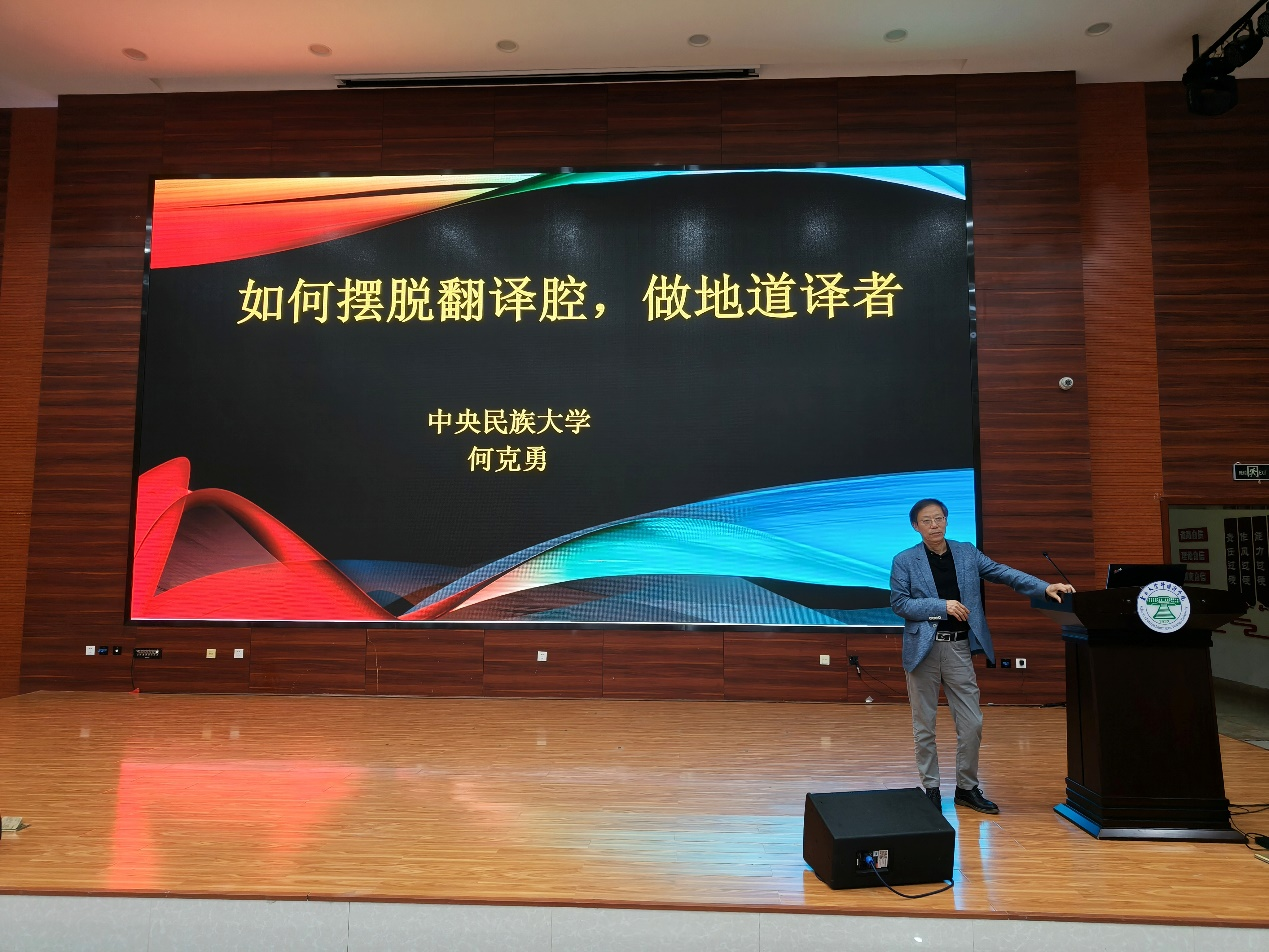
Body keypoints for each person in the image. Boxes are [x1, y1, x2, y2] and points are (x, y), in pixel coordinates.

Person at [889, 498, 1074, 814]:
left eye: (939, 518)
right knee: (925, 725)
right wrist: (942, 606)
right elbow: (900, 604)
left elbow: (1003, 572)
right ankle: (931, 789)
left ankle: (966, 788)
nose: (934, 525)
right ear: (915, 526)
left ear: (947, 520)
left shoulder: (966, 552)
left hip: (958, 647)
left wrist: (1043, 587)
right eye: (926, 521)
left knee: (972, 722)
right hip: (923, 651)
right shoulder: (905, 560)